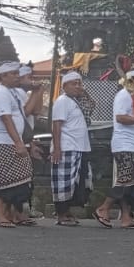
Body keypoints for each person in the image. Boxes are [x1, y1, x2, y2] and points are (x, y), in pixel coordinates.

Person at [95, 68, 134, 228]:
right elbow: (120, 117)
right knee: (126, 180)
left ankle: (126, 217)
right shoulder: (124, 95)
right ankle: (103, 208)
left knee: (132, 183)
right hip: (125, 144)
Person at [0, 62, 34, 228]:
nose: (17, 76)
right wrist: (18, 143)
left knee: (20, 176)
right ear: (3, 76)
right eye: (13, 74)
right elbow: (6, 118)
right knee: (2, 177)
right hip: (2, 141)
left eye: (17, 73)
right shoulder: (0, 92)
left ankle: (13, 213)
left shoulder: (13, 92)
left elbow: (27, 112)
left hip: (12, 140)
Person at [50, 71, 93, 226]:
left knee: (77, 182)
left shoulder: (76, 101)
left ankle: (67, 212)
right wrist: (57, 148)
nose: (77, 86)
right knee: (64, 182)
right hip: (67, 147)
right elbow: (56, 125)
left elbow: (91, 105)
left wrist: (83, 91)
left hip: (80, 148)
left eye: (79, 83)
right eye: (74, 84)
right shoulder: (62, 101)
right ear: (64, 86)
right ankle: (61, 214)